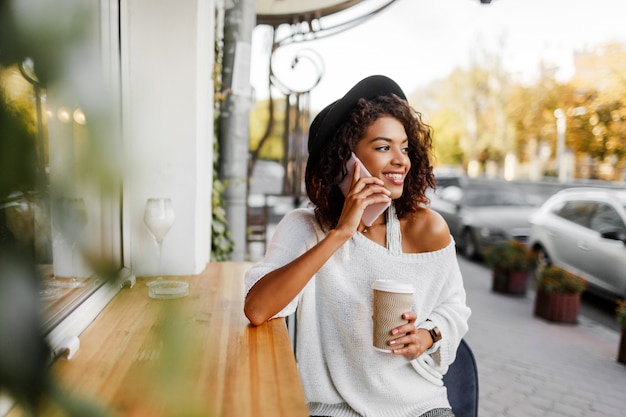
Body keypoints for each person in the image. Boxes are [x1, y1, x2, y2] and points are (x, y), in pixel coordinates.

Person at [244, 75, 471, 417]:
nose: (401, 161)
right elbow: (258, 309)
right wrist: (341, 233)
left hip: (419, 404)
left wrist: (427, 334)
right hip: (335, 407)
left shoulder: (427, 226)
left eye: (404, 147)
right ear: (344, 162)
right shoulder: (306, 228)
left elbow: (454, 305)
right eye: (383, 147)